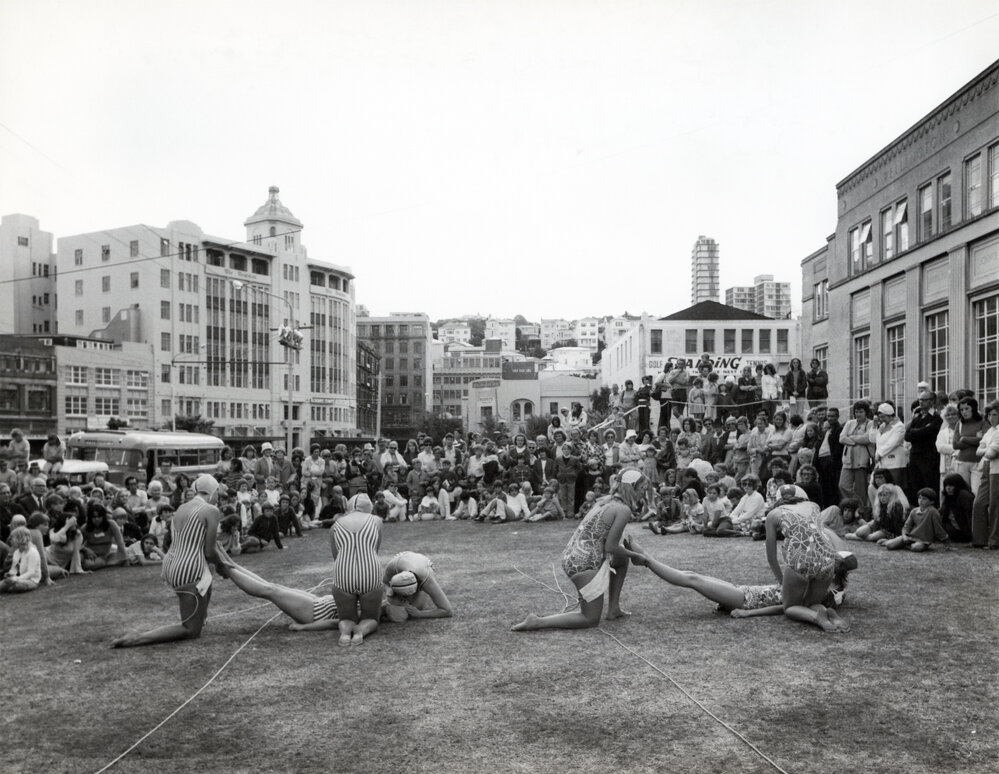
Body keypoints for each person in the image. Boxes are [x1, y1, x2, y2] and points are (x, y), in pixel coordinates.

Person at [621, 536, 854, 629]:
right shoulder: (826, 590)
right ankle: (645, 558)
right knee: (692, 575)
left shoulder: (820, 592)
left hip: (746, 601)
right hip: (747, 592)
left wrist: (748, 614)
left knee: (691, 579)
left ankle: (646, 560)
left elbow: (783, 608)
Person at [512, 469, 646, 631]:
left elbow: (610, 538)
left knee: (621, 560)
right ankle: (537, 622)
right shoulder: (623, 510)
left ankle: (614, 609)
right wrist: (637, 556)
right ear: (630, 488)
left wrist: (629, 552)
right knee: (589, 619)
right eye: (641, 489)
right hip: (584, 564)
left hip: (572, 556)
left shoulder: (605, 501)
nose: (643, 493)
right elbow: (611, 547)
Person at [112, 475, 228, 648]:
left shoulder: (181, 508)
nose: (219, 496)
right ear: (212, 491)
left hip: (171, 564)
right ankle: (138, 638)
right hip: (190, 570)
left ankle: (201, 617)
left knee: (207, 576)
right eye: (218, 492)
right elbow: (209, 551)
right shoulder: (211, 510)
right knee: (190, 630)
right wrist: (222, 566)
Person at [765, 488, 855, 632]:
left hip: (801, 558)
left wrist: (782, 581)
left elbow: (771, 558)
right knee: (811, 603)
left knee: (790, 607)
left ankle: (816, 618)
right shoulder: (814, 506)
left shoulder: (773, 514)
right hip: (828, 559)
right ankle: (827, 612)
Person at [329, 494, 383, 646]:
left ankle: (346, 632)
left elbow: (336, 555)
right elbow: (375, 549)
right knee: (371, 618)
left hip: (343, 573)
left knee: (346, 618)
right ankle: (361, 630)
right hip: (370, 571)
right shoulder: (377, 521)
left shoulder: (335, 525)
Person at [381, 551, 453, 622]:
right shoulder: (392, 568)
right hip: (401, 560)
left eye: (405, 597)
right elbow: (384, 583)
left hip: (422, 566)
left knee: (415, 607)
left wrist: (419, 613)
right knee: (396, 609)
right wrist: (389, 591)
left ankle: (385, 606)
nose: (404, 599)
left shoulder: (426, 580)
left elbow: (447, 610)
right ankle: (382, 608)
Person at [881, 488, 949, 551]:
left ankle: (904, 545)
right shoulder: (914, 511)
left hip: (923, 540)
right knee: (889, 546)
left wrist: (945, 539)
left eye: (924, 499)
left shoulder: (933, 512)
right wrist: (904, 536)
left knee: (916, 548)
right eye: (919, 498)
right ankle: (892, 541)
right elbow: (907, 526)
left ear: (932, 501)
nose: (921, 501)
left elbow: (938, 528)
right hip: (910, 537)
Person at [1, 526, 42, 593]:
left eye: (12, 538)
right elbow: (14, 569)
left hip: (31, 580)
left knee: (18, 586)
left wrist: (16, 579)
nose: (10, 540)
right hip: (18, 579)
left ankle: (11, 587)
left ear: (20, 538)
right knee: (5, 582)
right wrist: (10, 574)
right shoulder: (16, 552)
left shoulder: (32, 552)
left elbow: (31, 572)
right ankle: (10, 587)